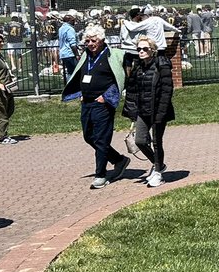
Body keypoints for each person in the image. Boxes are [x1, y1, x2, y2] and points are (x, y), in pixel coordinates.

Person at [63, 24, 130, 189]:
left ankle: (101, 174)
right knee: (88, 136)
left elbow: (121, 79)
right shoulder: (86, 56)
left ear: (101, 40)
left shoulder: (112, 56)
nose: (90, 43)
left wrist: (106, 97)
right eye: (87, 41)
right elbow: (81, 75)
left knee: (101, 139)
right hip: (87, 103)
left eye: (93, 40)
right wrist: (80, 92)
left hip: (103, 104)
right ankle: (119, 160)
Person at [124, 37, 174, 188]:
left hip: (158, 110)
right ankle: (158, 164)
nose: (141, 52)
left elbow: (167, 90)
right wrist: (132, 111)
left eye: (145, 49)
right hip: (142, 110)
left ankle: (158, 173)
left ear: (153, 50)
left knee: (156, 142)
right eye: (139, 49)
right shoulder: (138, 68)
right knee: (140, 141)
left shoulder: (162, 65)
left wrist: (161, 113)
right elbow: (132, 91)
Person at [58, 11, 80, 77]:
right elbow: (72, 43)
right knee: (77, 71)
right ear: (68, 21)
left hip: (63, 54)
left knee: (70, 72)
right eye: (73, 20)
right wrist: (77, 55)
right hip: (70, 54)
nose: (74, 22)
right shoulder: (70, 29)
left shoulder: (61, 29)